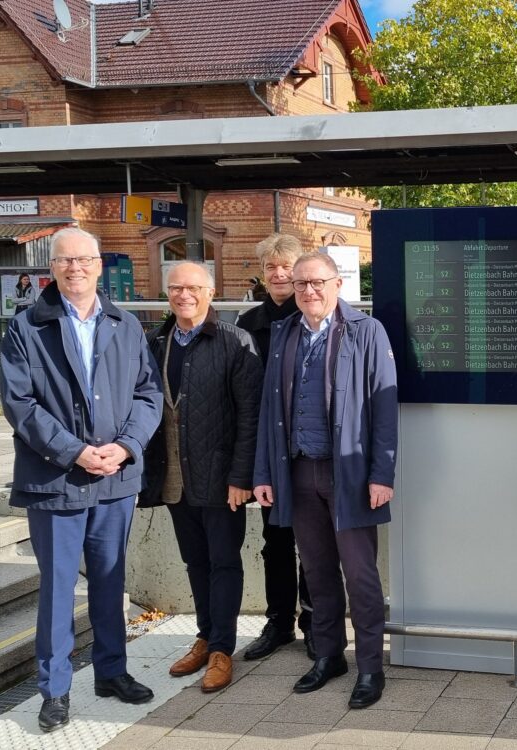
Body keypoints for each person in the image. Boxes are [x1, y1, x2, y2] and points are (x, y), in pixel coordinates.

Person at [0, 227, 162, 733]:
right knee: (58, 589)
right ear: (53, 267)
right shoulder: (27, 327)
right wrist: (76, 452)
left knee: (111, 581)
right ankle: (55, 689)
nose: (75, 269)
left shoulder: (125, 324)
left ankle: (111, 672)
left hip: (114, 478)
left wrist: (127, 446)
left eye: (84, 260)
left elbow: (148, 393)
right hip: (56, 480)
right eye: (65, 261)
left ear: (98, 265)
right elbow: (19, 404)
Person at [252, 252, 398, 707]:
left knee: (360, 575)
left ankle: (370, 667)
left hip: (349, 474)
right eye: (300, 285)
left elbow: (384, 409)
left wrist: (381, 473)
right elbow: (268, 413)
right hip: (297, 472)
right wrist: (263, 473)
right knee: (316, 572)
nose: (308, 292)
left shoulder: (365, 331)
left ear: (338, 284)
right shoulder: (284, 333)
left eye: (317, 282)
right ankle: (329, 655)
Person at [139, 262, 263, 693]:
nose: (183, 295)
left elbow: (251, 416)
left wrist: (242, 474)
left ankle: (223, 650)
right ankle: (204, 636)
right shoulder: (156, 341)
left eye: (193, 287)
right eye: (175, 288)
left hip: (222, 478)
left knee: (225, 562)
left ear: (211, 292)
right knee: (196, 563)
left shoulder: (234, 341)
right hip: (173, 478)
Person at [236, 234, 315, 661]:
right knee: (276, 539)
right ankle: (279, 622)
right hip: (269, 451)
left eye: (287, 266)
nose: (279, 274)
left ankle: (314, 621)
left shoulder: (317, 320)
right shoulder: (248, 326)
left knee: (316, 540)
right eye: (271, 267)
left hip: (311, 451)